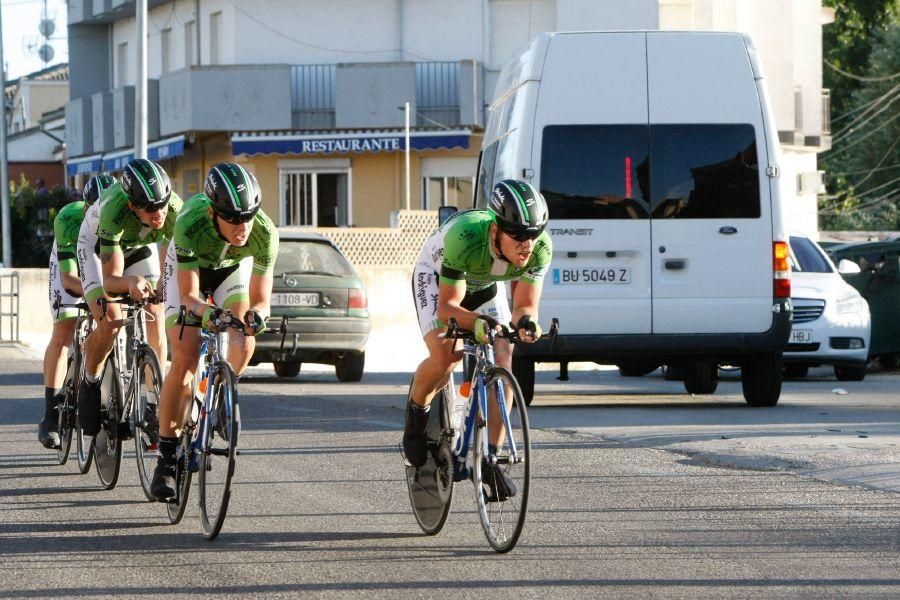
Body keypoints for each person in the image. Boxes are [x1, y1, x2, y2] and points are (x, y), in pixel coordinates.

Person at [403, 179, 552, 499]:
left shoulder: (540, 247)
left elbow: (525, 305)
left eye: (534, 234)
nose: (528, 243)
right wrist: (479, 324)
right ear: (496, 230)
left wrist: (526, 322)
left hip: (484, 287)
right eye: (519, 235)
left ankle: (491, 458)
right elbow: (447, 308)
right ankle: (417, 414)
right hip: (437, 279)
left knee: (503, 356)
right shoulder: (466, 236)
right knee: (446, 357)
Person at [150, 162, 279, 500]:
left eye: (249, 217)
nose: (243, 227)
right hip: (188, 274)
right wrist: (207, 313)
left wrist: (257, 316)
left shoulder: (264, 233)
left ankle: (217, 395)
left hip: (230, 271)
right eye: (234, 219)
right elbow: (191, 297)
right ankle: (165, 458)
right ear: (213, 213)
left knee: (245, 341)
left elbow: (262, 300)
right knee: (185, 360)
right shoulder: (190, 223)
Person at [76, 159, 182, 436]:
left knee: (156, 311)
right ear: (133, 205)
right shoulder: (114, 210)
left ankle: (152, 401)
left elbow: (171, 260)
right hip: (97, 248)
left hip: (139, 244)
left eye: (162, 204)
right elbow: (111, 280)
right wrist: (130, 282)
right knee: (111, 319)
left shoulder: (174, 211)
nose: (158, 213)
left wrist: (160, 290)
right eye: (149, 208)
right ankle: (90, 380)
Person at [38, 175, 116, 448]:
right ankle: (50, 414)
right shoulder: (68, 220)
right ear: (85, 209)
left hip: (99, 262)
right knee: (64, 331)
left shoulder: (119, 219)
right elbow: (70, 279)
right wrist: (96, 293)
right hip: (70, 268)